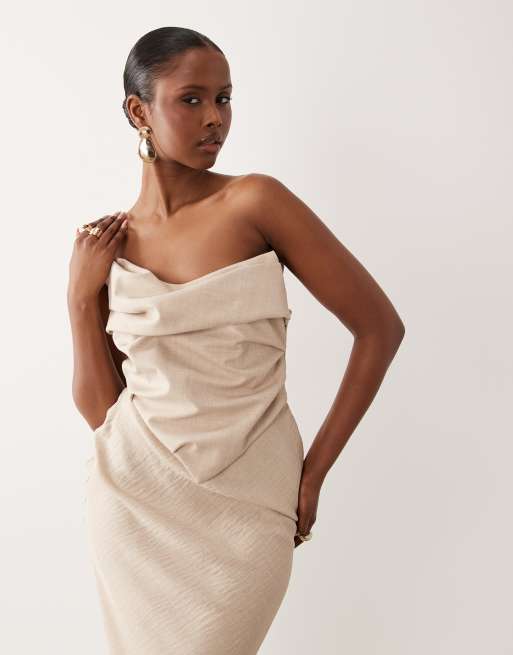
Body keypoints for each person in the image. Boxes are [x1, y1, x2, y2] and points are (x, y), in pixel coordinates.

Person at [67, 26, 405, 655]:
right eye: (191, 99)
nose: (214, 118)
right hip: (136, 502)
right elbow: (102, 414)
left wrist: (312, 475)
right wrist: (80, 299)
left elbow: (379, 328)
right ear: (138, 111)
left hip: (249, 502)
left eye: (224, 98)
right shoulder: (108, 244)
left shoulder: (256, 201)